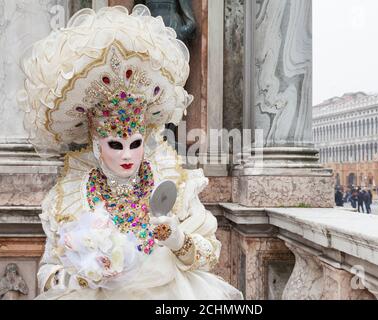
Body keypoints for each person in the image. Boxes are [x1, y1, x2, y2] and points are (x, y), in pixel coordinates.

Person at [18, 6, 242, 300]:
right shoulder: (71, 195)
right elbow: (48, 273)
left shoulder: (171, 184)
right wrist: (84, 274)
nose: (127, 156)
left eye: (135, 144)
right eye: (115, 145)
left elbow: (209, 255)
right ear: (97, 146)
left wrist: (178, 240)